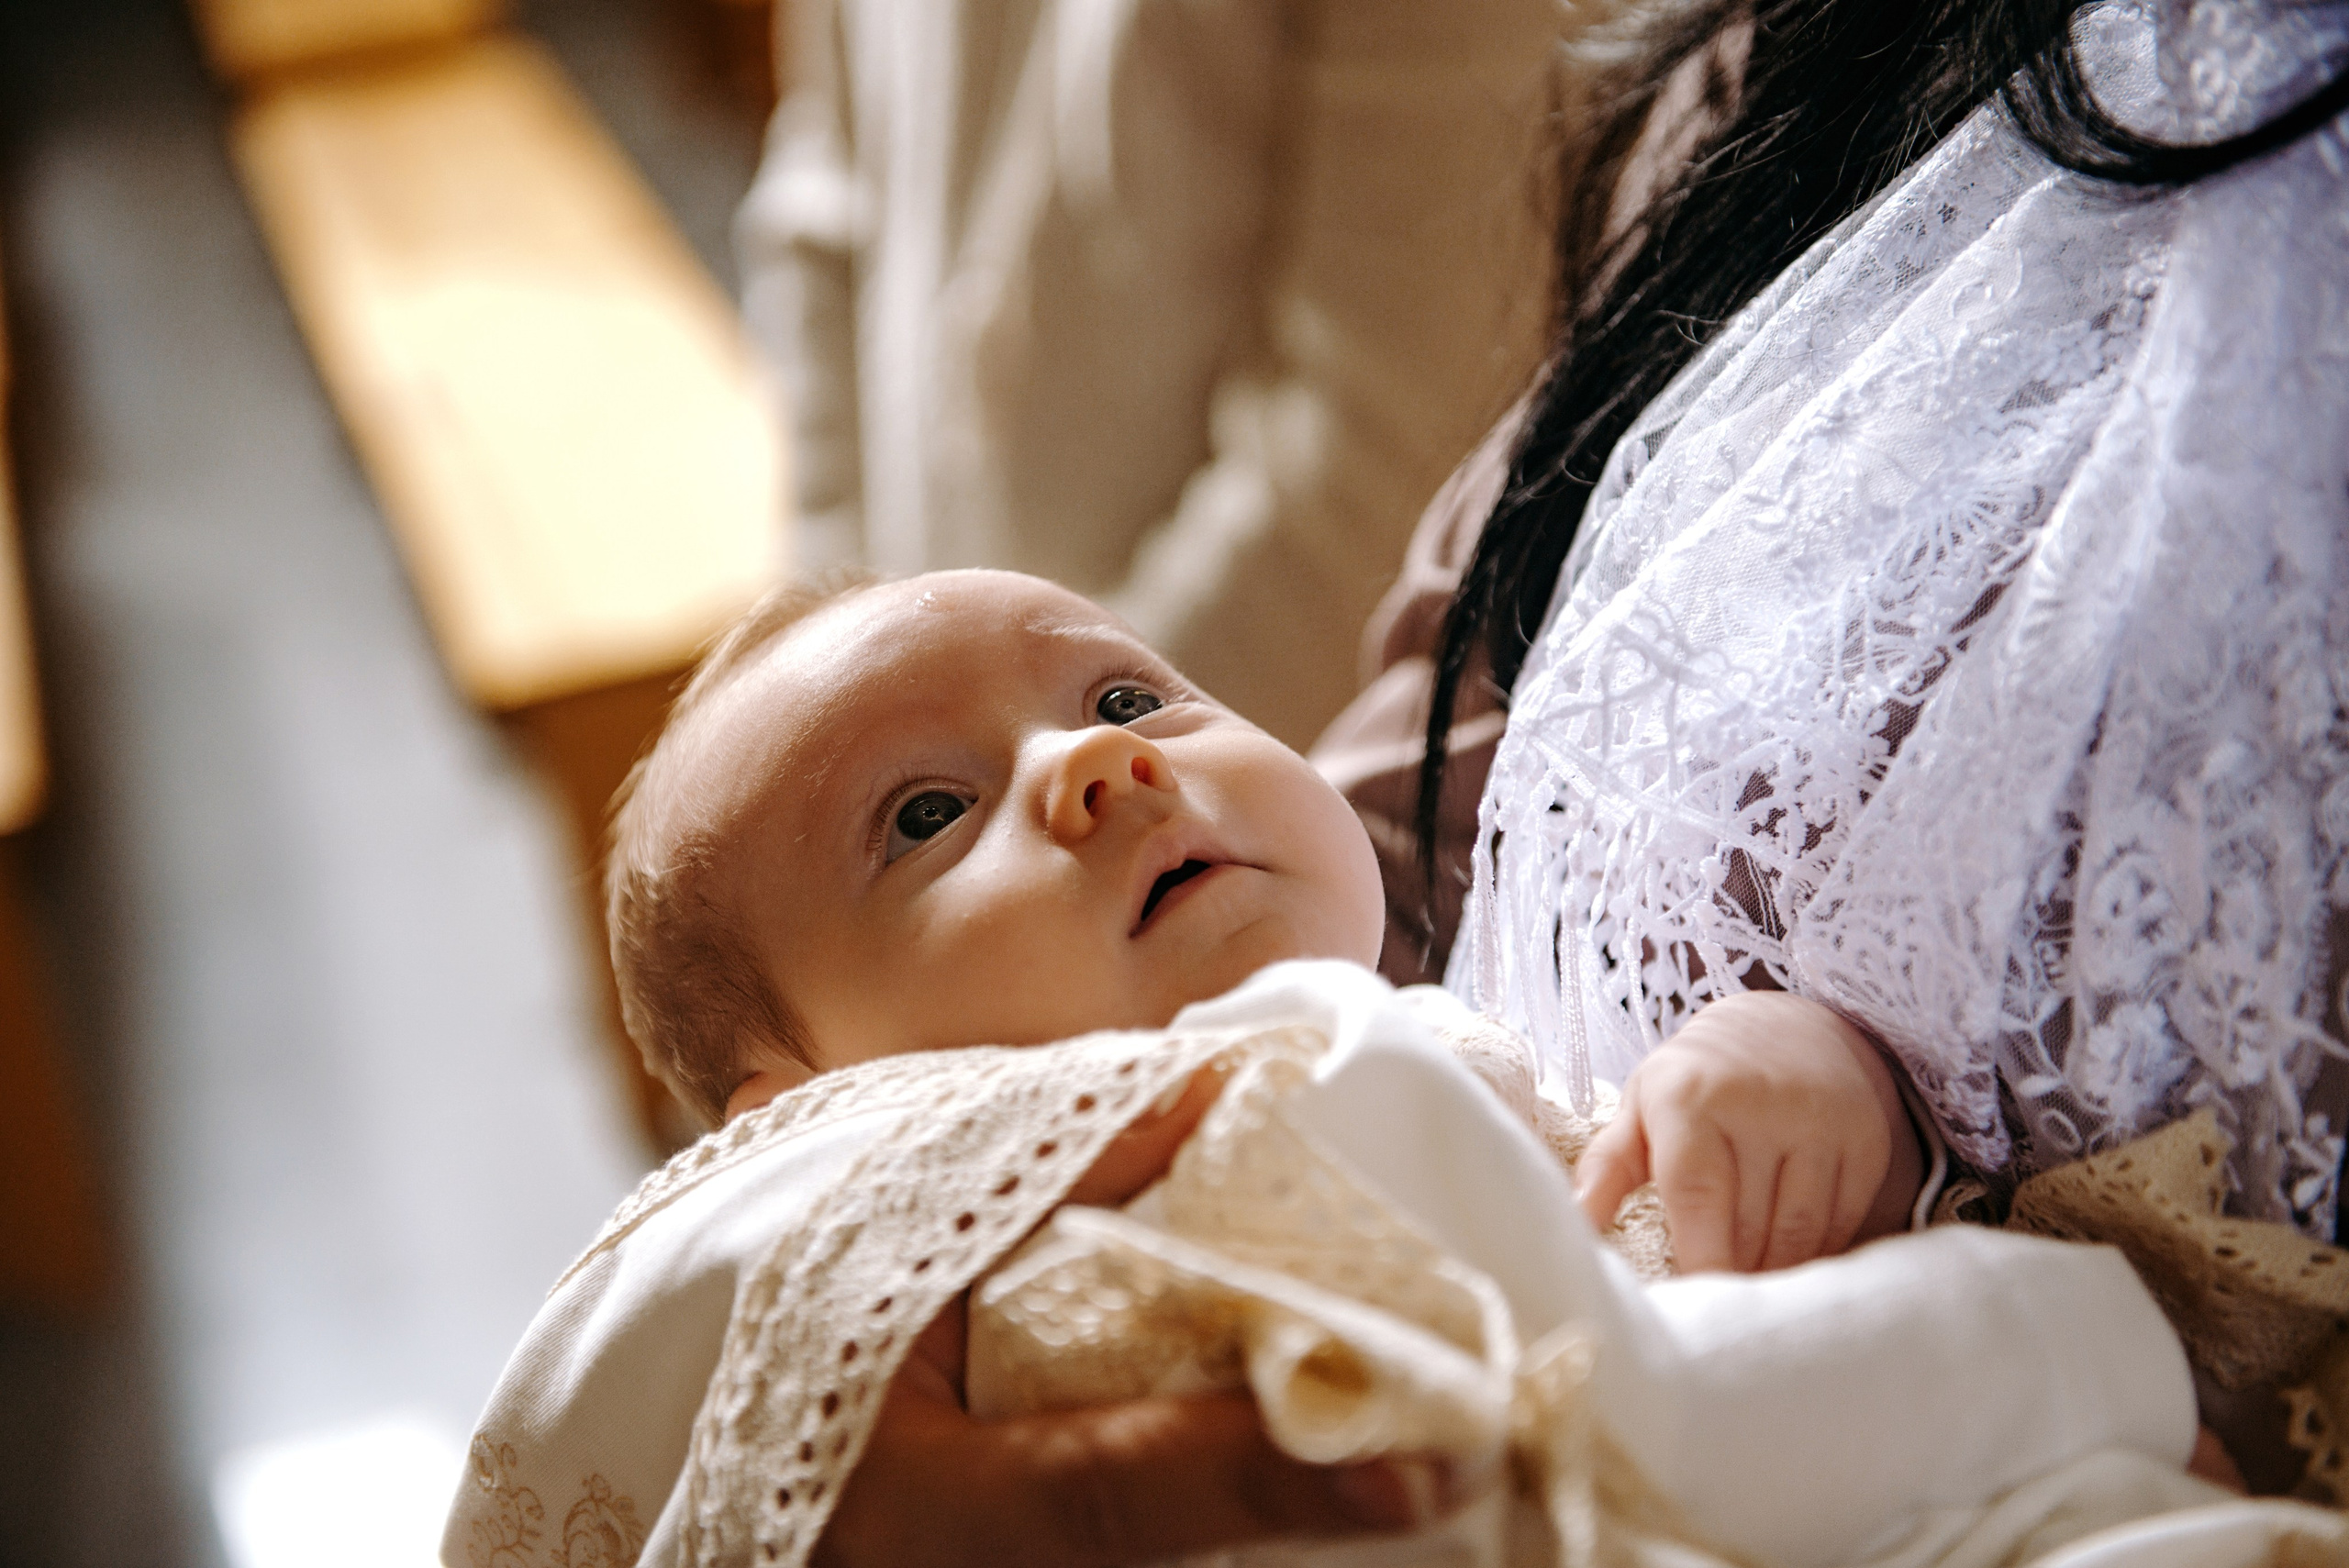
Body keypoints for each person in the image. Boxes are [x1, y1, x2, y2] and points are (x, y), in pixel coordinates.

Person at [446, 569, 2285, 1568]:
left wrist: (1805, 1107)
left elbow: (1650, 1309)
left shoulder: (1408, 1055)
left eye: (1122, 697)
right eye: (924, 816)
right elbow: (1634, 1415)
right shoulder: (1249, 1125)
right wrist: (2065, 1352)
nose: (1097, 766)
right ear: (811, 1115)